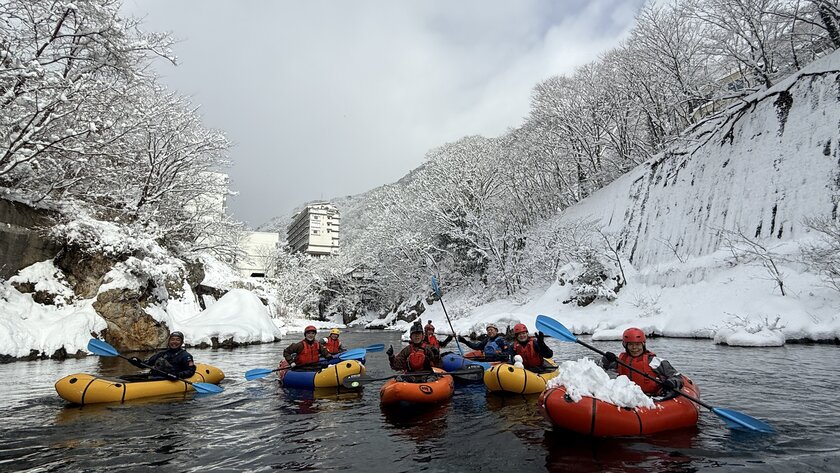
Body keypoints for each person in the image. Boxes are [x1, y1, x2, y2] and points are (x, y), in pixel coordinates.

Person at [598, 327, 683, 395]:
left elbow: (678, 377)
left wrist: (671, 382)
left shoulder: (654, 361)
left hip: (650, 397)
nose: (634, 348)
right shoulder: (620, 361)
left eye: (637, 344)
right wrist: (606, 359)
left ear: (643, 344)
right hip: (626, 397)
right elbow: (601, 368)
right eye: (631, 345)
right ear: (625, 346)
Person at [129, 331, 196, 380]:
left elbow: (190, 371)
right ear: (169, 341)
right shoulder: (162, 354)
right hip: (156, 377)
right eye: (172, 339)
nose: (174, 342)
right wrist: (137, 362)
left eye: (178, 340)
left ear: (182, 343)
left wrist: (178, 375)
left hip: (171, 378)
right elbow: (147, 364)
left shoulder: (186, 356)